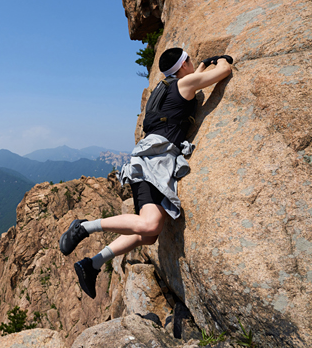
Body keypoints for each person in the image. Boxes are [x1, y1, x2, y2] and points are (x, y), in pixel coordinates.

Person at [59, 47, 232, 299]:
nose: (194, 63)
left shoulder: (163, 89)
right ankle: (84, 227)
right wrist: (223, 60)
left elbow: (193, 86)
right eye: (190, 61)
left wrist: (203, 67)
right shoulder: (185, 83)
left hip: (147, 162)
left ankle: (92, 265)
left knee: (148, 235)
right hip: (153, 165)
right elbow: (224, 71)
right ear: (183, 66)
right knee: (150, 224)